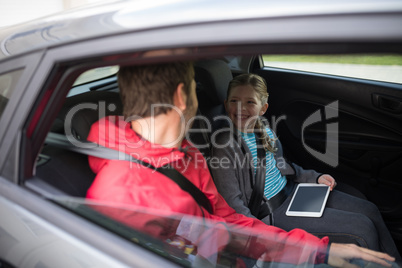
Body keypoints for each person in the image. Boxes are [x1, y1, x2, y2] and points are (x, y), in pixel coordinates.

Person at [85, 61, 396, 267]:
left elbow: (230, 221)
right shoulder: (120, 196)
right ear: (182, 96)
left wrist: (318, 250)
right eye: (196, 86)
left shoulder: (185, 153)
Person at [210, 73, 401, 263]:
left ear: (263, 108)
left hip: (294, 192)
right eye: (234, 100)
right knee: (363, 229)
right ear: (226, 104)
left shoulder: (264, 129)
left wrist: (314, 178)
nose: (241, 107)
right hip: (271, 213)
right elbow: (233, 207)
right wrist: (265, 237)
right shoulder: (224, 146)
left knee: (369, 210)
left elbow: (284, 167)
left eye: (250, 102)